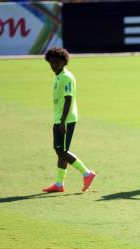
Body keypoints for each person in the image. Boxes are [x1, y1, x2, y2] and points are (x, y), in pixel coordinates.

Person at [42, 47, 96, 192]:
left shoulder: (66, 77)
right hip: (59, 118)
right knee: (59, 150)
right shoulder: (59, 76)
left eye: (57, 63)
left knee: (62, 150)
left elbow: (68, 99)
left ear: (64, 62)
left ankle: (87, 173)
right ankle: (59, 185)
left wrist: (62, 121)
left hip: (65, 119)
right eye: (51, 63)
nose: (54, 66)